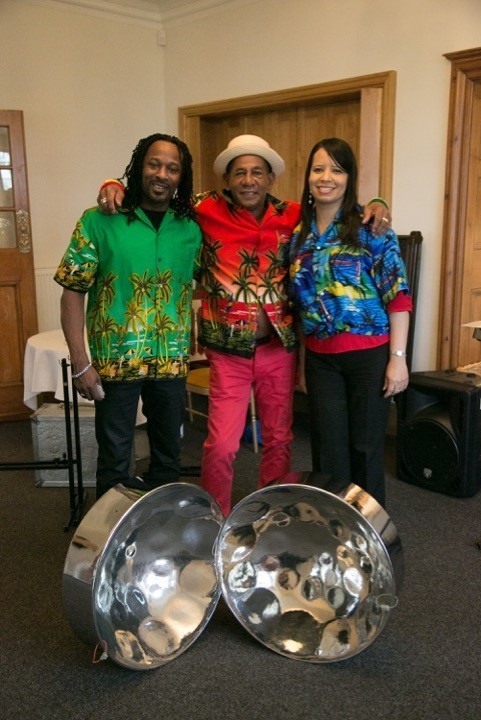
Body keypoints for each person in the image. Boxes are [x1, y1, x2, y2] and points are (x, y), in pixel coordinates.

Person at [98, 134, 391, 516]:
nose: (248, 180)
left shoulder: (293, 215)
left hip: (279, 349)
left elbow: (336, 206)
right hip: (227, 352)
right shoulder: (203, 208)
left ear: (270, 178)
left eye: (257, 172)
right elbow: (160, 193)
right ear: (227, 179)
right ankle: (214, 515)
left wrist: (379, 202)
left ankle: (270, 516)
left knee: (279, 440)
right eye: (239, 173)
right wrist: (114, 184)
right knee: (221, 444)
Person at [54, 133, 202, 499]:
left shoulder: (192, 226)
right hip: (115, 360)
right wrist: (80, 363)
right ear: (138, 167)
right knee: (115, 459)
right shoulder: (98, 220)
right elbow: (72, 291)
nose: (162, 174)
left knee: (168, 456)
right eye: (154, 164)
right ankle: (112, 529)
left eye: (172, 168)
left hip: (170, 361)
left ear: (181, 177)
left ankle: (161, 523)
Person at [289, 137, 411, 507]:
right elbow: (299, 307)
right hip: (321, 359)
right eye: (318, 169)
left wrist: (398, 358)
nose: (326, 177)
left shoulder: (370, 227)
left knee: (366, 450)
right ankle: (334, 527)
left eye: (337, 170)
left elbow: (398, 295)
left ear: (349, 177)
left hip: (369, 356)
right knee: (327, 452)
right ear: (308, 176)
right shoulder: (298, 236)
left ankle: (371, 532)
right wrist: (303, 365)